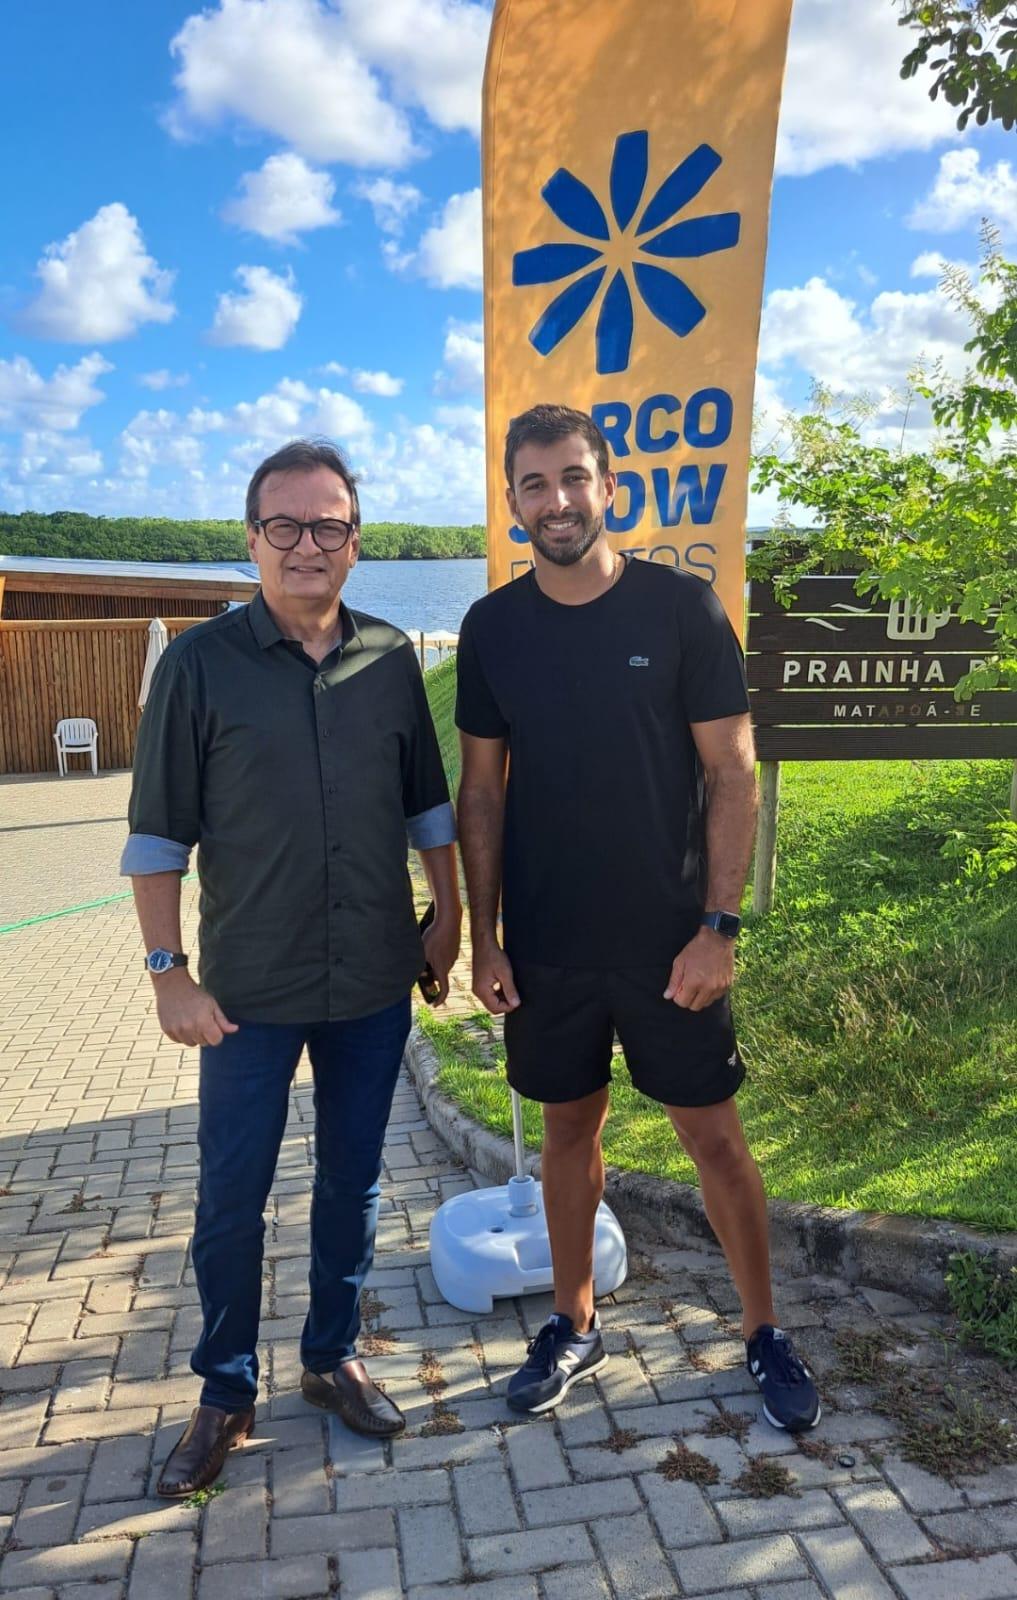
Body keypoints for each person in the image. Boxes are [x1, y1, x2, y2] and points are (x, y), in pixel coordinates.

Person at [455, 404, 820, 1432]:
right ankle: (573, 1323)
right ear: (513, 500)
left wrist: (718, 928)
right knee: (568, 1130)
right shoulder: (492, 628)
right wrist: (486, 938)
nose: (556, 500)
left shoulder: (681, 610)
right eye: (534, 484)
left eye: (573, 477)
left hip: (670, 944)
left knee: (713, 1137)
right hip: (548, 944)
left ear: (609, 487)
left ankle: (762, 1331)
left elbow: (732, 773)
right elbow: (481, 793)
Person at [122, 438, 461, 1497]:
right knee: (232, 1195)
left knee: (353, 1185)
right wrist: (169, 973)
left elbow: (427, 806)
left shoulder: (390, 657)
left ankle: (331, 1358)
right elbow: (155, 837)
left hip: (371, 979)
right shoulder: (198, 665)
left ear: (356, 541)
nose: (307, 544)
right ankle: (224, 1390)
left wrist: (449, 913)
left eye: (329, 525)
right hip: (245, 994)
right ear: (252, 537)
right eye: (285, 524)